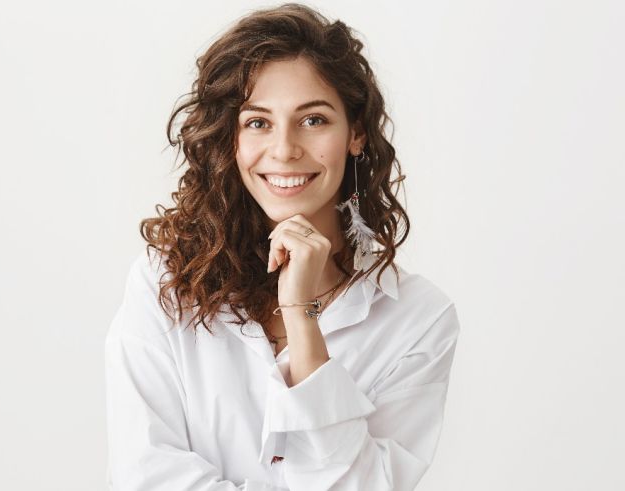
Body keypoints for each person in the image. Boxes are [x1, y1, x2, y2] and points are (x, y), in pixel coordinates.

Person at [105, 3, 461, 490]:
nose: (284, 149)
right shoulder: (163, 281)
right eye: (258, 122)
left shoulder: (419, 320)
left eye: (313, 120)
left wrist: (302, 316)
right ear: (230, 137)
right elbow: (144, 476)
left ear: (356, 133)